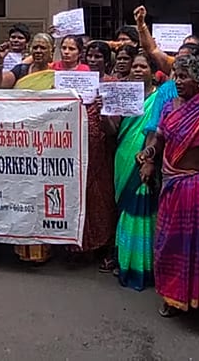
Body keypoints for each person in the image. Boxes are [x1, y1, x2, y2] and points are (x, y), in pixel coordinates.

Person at [143, 50, 199, 340]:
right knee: (172, 243)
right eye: (176, 76)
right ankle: (174, 297)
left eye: (184, 77)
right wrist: (149, 153)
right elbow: (160, 139)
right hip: (172, 186)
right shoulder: (169, 107)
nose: (178, 81)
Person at [0, 33, 57, 263]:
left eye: (43, 48)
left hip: (46, 142)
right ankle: (20, 246)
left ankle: (42, 249)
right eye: (35, 47)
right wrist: (0, 60)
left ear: (51, 51)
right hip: (20, 141)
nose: (38, 51)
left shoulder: (57, 75)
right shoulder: (20, 71)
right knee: (21, 192)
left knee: (40, 193)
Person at [106, 52, 161, 290]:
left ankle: (143, 265)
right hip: (123, 155)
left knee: (141, 210)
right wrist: (104, 110)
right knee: (124, 210)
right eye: (135, 67)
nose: (138, 70)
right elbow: (112, 129)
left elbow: (158, 130)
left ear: (152, 71)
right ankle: (124, 260)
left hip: (145, 156)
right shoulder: (123, 94)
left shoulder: (159, 97)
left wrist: (149, 158)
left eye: (143, 66)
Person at [73, 40, 119, 271]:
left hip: (103, 151)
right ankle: (81, 247)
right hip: (76, 150)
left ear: (107, 61)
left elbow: (114, 129)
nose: (92, 60)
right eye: (89, 55)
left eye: (98, 56)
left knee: (102, 196)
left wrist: (103, 111)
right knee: (81, 197)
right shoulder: (75, 82)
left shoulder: (112, 85)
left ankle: (104, 245)